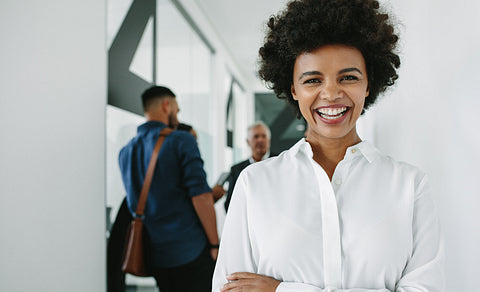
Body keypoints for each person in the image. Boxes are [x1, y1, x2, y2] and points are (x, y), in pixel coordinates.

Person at [212, 1, 444, 291]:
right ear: (294, 89)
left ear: (368, 84)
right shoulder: (255, 183)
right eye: (313, 80)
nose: (332, 93)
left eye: (348, 77)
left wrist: (280, 289)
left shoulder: (410, 186)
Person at [119, 85, 219, 292]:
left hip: (155, 255)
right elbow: (200, 197)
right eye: (177, 108)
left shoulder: (126, 150)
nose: (178, 113)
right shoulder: (181, 140)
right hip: (190, 250)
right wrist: (215, 245)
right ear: (167, 105)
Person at [222, 121, 274, 212]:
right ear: (248, 142)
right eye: (256, 136)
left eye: (263, 136)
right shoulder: (236, 170)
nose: (260, 140)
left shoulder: (279, 163)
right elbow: (230, 203)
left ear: (269, 140)